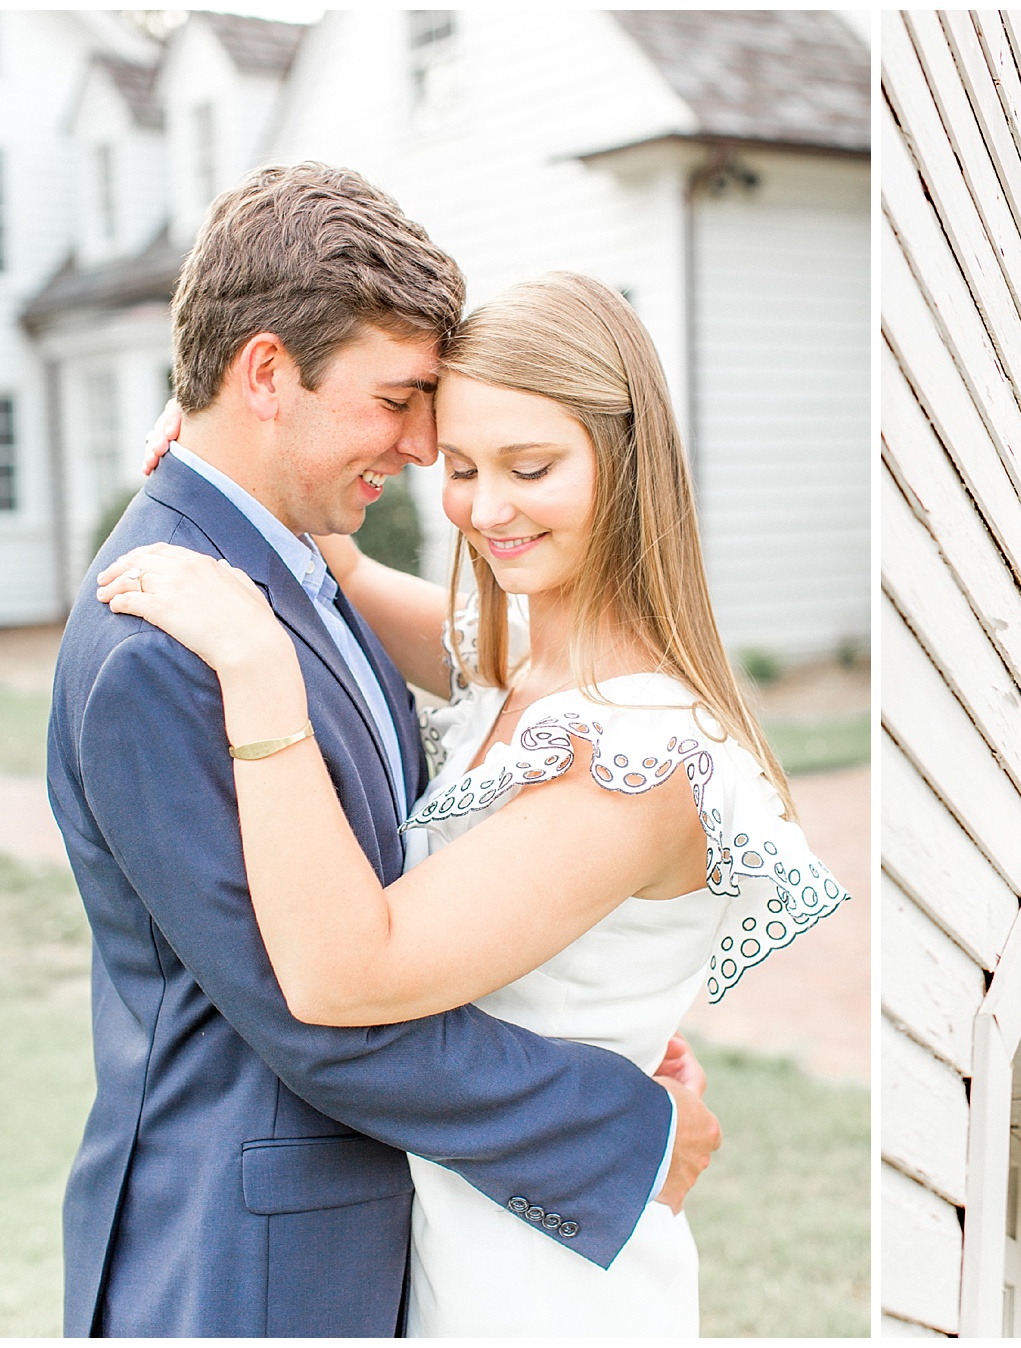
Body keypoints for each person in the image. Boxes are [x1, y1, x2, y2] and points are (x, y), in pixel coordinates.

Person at [104, 269, 850, 1335]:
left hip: (541, 1282)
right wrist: (229, 440)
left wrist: (260, 675)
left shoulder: (636, 754)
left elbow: (344, 973)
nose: (487, 510)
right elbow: (347, 573)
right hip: (453, 1235)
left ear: (625, 460)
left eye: (530, 467)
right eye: (459, 467)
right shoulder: (517, 665)